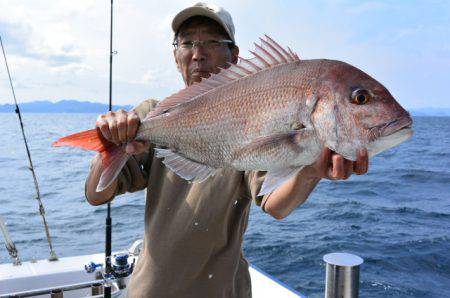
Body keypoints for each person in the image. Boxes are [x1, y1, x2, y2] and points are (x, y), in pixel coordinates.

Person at [85, 3, 369, 297]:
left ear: (234, 56)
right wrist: (110, 144)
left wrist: (311, 171)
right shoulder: (151, 116)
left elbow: (275, 204)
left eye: (211, 42)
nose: (198, 53)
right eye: (187, 42)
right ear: (175, 56)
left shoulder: (256, 115)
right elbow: (96, 194)